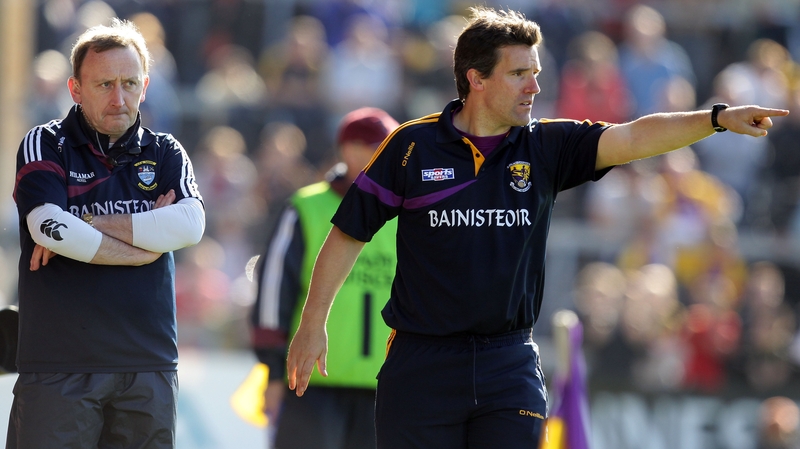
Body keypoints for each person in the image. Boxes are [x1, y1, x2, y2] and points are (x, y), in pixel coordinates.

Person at [286, 6, 789, 448]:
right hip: (421, 365)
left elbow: (635, 136)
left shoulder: (546, 146)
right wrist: (313, 324)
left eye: (537, 72)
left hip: (510, 363)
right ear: (476, 79)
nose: (535, 86)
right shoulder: (410, 147)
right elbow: (349, 232)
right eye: (520, 73)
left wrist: (717, 117)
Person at [10, 18, 204, 448]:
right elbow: (48, 226)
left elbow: (189, 225)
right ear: (75, 89)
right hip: (58, 367)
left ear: (146, 84)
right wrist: (141, 247)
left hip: (148, 367)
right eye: (104, 85)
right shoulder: (44, 143)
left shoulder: (166, 150)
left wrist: (89, 224)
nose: (120, 98)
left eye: (130, 83)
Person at [251, 107, 399, 448]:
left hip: (389, 387)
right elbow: (275, 292)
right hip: (310, 383)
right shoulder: (307, 206)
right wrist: (273, 372)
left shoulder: (408, 211)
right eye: (374, 146)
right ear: (349, 150)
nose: (381, 156)